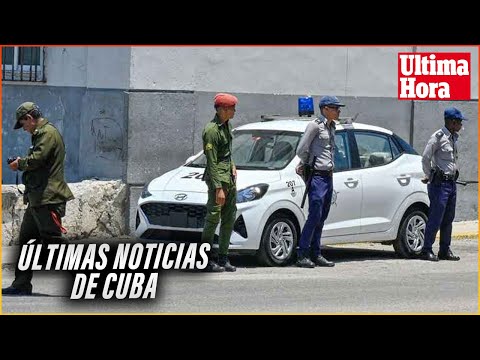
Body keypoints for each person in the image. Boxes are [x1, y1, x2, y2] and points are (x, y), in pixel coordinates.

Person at [2, 102, 75, 295]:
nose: (24, 128)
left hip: (47, 198)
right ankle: (21, 284)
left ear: (30, 118)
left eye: (23, 123)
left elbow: (38, 159)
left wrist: (20, 164)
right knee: (26, 241)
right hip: (37, 199)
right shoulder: (41, 134)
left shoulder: (47, 133)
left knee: (53, 241)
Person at [295, 95, 344, 268]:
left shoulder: (331, 126)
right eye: (335, 108)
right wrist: (309, 163)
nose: (339, 111)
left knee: (322, 216)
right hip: (316, 175)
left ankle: (316, 253)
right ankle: (302, 253)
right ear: (325, 109)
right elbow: (301, 149)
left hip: (328, 176)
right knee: (314, 215)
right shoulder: (315, 125)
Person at [419, 107, 466, 262]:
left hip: (451, 183)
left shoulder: (453, 138)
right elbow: (426, 158)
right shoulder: (438, 137)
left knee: (448, 218)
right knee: (436, 217)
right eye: (459, 122)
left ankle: (444, 250)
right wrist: (429, 175)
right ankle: (426, 249)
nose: (461, 125)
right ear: (452, 122)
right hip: (440, 184)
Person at [201, 93, 238, 272]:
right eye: (231, 108)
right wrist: (218, 188)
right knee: (212, 218)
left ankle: (223, 257)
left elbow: (226, 153)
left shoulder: (226, 126)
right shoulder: (212, 130)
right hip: (218, 181)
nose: (234, 111)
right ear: (222, 110)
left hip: (228, 179)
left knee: (229, 218)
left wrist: (232, 165)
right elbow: (212, 161)